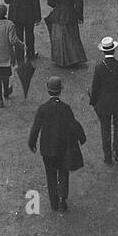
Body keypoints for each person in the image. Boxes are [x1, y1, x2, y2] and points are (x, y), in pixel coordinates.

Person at [28, 76, 87, 213]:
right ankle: (63, 200)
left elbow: (36, 127)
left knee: (50, 175)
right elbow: (73, 124)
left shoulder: (43, 108)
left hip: (47, 149)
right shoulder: (65, 108)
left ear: (48, 90)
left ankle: (53, 202)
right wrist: (81, 137)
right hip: (62, 148)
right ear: (60, 91)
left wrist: (32, 143)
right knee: (63, 172)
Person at [88, 36, 118, 165]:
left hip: (103, 103)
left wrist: (93, 101)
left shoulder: (99, 67)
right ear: (114, 50)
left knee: (105, 128)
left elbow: (95, 87)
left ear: (103, 51)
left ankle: (107, 156)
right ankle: (116, 151)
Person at [45, 0, 87, 69]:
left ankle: (60, 59)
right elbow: (78, 5)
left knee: (59, 37)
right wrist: (79, 17)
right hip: (70, 14)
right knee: (72, 36)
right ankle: (74, 58)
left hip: (58, 14)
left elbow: (50, 3)